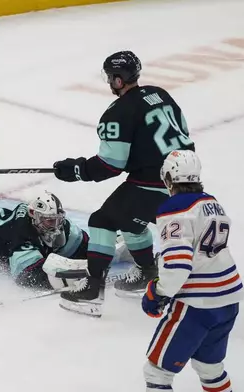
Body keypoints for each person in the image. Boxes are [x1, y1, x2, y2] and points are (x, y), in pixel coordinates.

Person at [52, 50, 195, 317]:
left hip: (152, 184)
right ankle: (146, 273)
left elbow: (110, 165)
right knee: (130, 220)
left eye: (110, 77)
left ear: (117, 80)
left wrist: (77, 169)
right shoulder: (160, 93)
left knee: (103, 221)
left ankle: (92, 290)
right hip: (187, 180)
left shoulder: (118, 111)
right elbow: (182, 132)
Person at [141, 150, 244, 392]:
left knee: (157, 372)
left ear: (168, 177)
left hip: (197, 305)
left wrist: (157, 292)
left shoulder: (175, 207)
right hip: (228, 300)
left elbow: (177, 266)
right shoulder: (211, 202)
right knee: (210, 369)